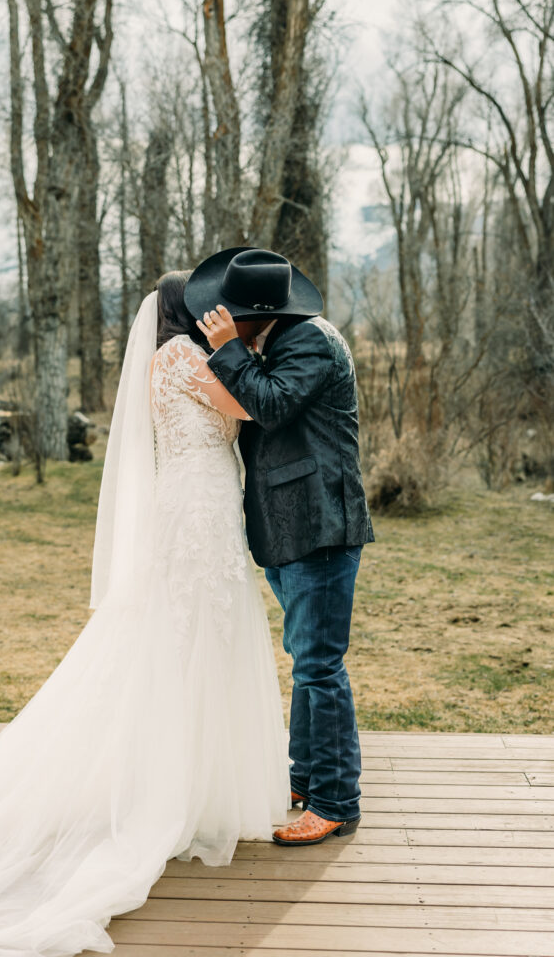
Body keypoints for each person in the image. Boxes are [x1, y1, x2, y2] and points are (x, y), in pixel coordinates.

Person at [0, 273, 290, 956]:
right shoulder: (183, 356)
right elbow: (243, 410)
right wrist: (241, 352)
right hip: (197, 504)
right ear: (187, 312)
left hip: (199, 498)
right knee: (190, 636)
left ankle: (196, 781)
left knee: (194, 636)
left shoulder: (167, 358)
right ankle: (173, 788)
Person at [186, 246, 375, 846]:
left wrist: (226, 352)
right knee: (308, 661)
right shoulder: (281, 338)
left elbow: (268, 406)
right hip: (294, 527)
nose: (216, 319)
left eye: (227, 313)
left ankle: (336, 802)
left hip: (319, 525)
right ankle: (304, 778)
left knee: (320, 667)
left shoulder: (309, 341)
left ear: (254, 314)